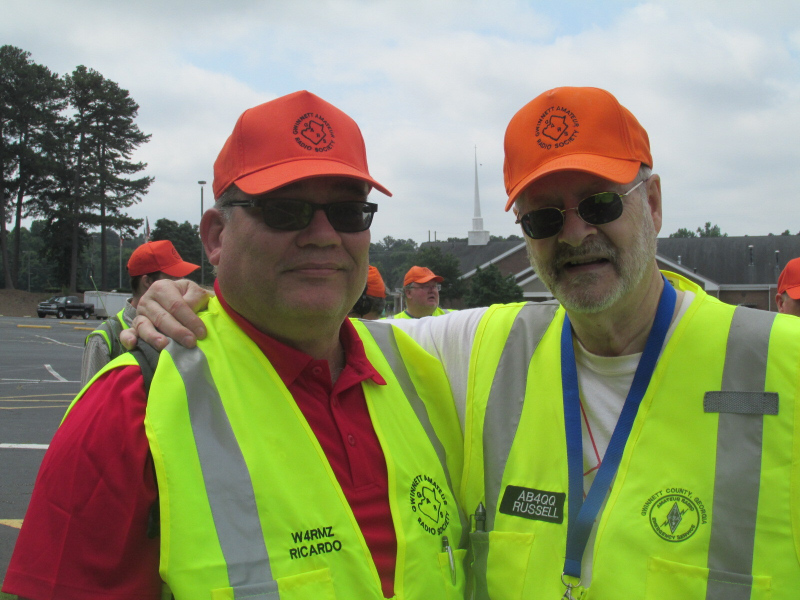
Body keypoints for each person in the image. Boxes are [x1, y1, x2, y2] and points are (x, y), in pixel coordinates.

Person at [129, 86, 800, 599]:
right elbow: (309, 327)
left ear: (651, 203)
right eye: (543, 217)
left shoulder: (784, 362)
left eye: (600, 203)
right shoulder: (483, 350)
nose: (574, 234)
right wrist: (196, 300)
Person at [3, 91, 467, 600]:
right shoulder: (131, 405)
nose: (323, 235)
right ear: (216, 237)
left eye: (349, 212)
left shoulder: (420, 372)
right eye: (285, 210)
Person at [80, 240, 199, 385]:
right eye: (174, 278)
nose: (181, 284)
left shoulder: (185, 324)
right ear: (147, 281)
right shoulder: (103, 340)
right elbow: (92, 398)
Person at [387, 266, 453, 319]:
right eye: (426, 286)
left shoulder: (452, 318)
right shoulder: (391, 324)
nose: (432, 290)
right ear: (408, 293)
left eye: (434, 286)